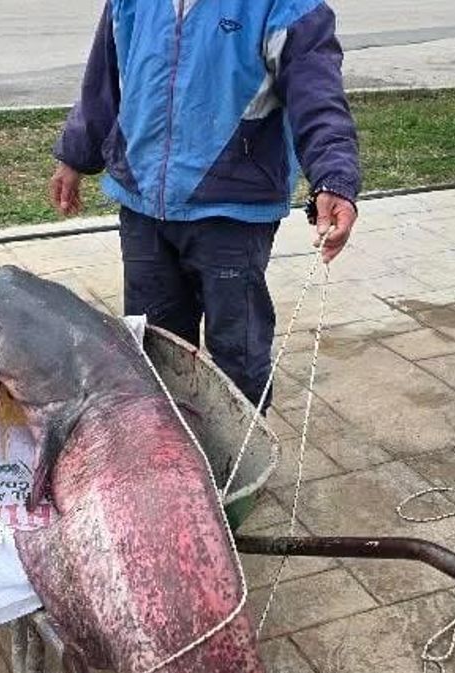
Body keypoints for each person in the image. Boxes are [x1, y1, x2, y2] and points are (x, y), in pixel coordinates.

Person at [49, 0, 361, 409]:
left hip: (232, 209)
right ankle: (167, 442)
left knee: (238, 354)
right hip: (144, 205)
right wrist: (75, 156)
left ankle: (244, 439)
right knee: (153, 351)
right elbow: (103, 82)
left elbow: (318, 96)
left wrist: (334, 178)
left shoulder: (285, 6)